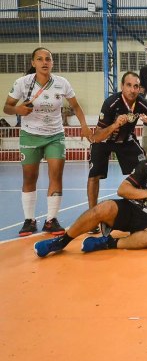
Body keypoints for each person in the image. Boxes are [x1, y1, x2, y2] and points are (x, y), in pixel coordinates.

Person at [34, 133, 147, 257]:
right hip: (130, 210)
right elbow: (122, 189)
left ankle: (108, 243)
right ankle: (62, 242)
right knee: (104, 207)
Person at [4, 47, 92, 237]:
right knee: (29, 178)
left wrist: (84, 126)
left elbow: (75, 106)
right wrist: (18, 110)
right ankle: (29, 220)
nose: (45, 62)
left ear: (52, 63)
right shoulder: (22, 83)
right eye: (40, 59)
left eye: (48, 59)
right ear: (33, 63)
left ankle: (51, 220)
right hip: (30, 135)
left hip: (55, 135)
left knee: (56, 176)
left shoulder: (62, 83)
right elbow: (7, 107)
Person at [88, 72, 147, 210]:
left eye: (136, 86)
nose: (132, 90)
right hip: (104, 141)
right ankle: (92, 213)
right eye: (129, 85)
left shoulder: (142, 104)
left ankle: (141, 208)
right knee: (93, 176)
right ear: (122, 86)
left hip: (126, 140)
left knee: (144, 169)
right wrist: (115, 125)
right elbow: (96, 137)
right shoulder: (111, 103)